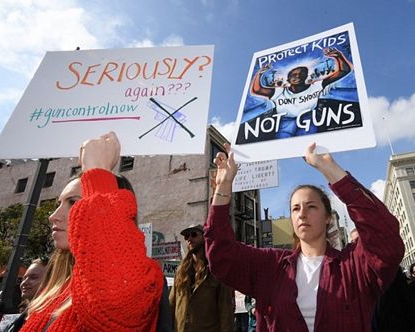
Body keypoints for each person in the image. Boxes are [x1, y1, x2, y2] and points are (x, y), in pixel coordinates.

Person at [205, 142, 404, 331]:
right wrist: (223, 187)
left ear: (328, 217)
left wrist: (331, 169)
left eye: (311, 207)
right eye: (295, 208)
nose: (302, 214)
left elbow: (386, 239)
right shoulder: (270, 266)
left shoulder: (355, 265)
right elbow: (221, 256)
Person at [20, 132, 164, 331]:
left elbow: (117, 314)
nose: (53, 216)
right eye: (59, 203)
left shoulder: (146, 279)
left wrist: (98, 174)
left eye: (73, 202)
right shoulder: (54, 290)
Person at [250, 47, 352, 138]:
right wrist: (259, 73)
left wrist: (338, 57)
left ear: (306, 76)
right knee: (282, 143)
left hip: (308, 118)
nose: (298, 76)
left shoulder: (316, 86)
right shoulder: (279, 91)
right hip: (286, 120)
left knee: (308, 141)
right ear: (288, 79)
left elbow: (343, 71)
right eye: (294, 75)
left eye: (302, 74)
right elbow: (256, 90)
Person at [169, 224, 234, 332]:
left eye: (194, 234)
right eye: (186, 236)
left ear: (204, 237)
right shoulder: (181, 270)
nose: (189, 239)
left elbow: (226, 310)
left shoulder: (216, 270)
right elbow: (172, 304)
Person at [1, 258, 48, 332]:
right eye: (24, 278)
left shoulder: (53, 319)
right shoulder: (20, 319)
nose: (24, 283)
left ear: (51, 281)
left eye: (33, 277)